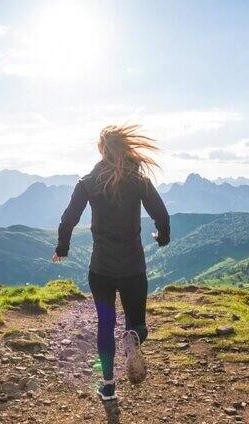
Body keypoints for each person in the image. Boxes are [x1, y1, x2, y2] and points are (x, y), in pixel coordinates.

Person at [52, 124, 170, 401]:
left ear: (101, 150)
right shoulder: (138, 181)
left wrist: (62, 248)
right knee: (137, 323)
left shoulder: (87, 183)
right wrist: (162, 238)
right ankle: (133, 337)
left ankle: (107, 386)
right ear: (126, 149)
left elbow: (68, 219)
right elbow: (162, 216)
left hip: (101, 269)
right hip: (133, 268)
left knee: (105, 324)